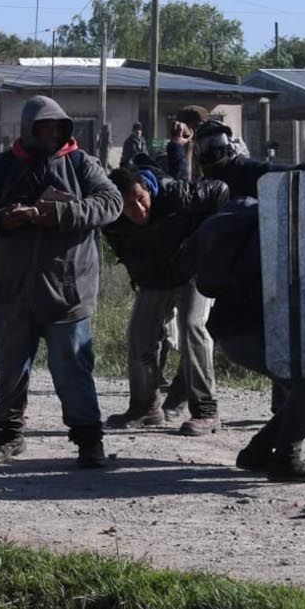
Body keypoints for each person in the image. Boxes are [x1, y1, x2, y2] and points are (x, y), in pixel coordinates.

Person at [0, 95, 123, 469]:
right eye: (44, 127)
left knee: (72, 369)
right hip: (14, 292)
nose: (52, 133)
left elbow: (111, 203)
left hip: (68, 293)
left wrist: (62, 213)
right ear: (29, 130)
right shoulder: (3, 167)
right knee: (11, 368)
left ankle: (89, 441)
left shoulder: (82, 164)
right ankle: (8, 437)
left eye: (57, 127)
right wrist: (5, 219)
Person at [193, 119, 305, 428]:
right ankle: (283, 406)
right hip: (245, 276)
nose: (211, 150)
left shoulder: (248, 171)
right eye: (204, 145)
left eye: (215, 142)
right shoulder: (206, 188)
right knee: (268, 337)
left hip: (281, 265)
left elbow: (298, 173)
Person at [181, 197, 305, 481]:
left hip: (237, 330)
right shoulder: (274, 239)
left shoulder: (270, 227)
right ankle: (286, 459)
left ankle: (258, 452)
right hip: (246, 331)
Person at [102, 165, 229, 436]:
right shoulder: (111, 219)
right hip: (157, 276)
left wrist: (209, 241)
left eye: (140, 198)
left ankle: (206, 410)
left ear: (148, 189)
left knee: (194, 328)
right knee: (140, 335)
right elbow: (123, 249)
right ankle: (145, 408)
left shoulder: (175, 194)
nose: (138, 208)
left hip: (194, 269)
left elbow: (221, 191)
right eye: (128, 205)